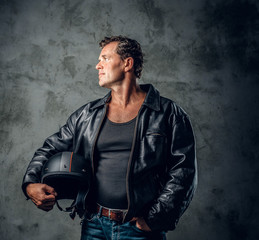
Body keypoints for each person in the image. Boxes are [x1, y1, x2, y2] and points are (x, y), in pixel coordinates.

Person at [22, 36, 197, 240]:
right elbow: (50, 148)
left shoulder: (167, 113)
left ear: (127, 63)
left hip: (139, 228)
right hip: (94, 225)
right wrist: (30, 183)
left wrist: (156, 218)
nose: (98, 65)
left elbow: (183, 171)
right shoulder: (87, 115)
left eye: (105, 58)